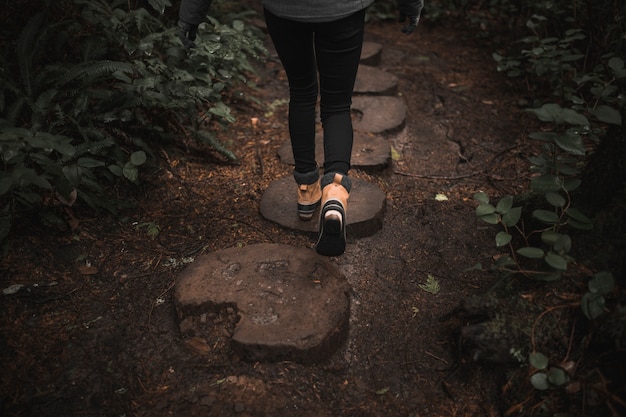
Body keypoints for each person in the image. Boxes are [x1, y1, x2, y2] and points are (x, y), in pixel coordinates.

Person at [178, 0, 424, 256]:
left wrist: (191, 15)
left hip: (285, 10)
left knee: (302, 93)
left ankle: (307, 190)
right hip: (343, 10)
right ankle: (335, 193)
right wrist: (411, 5)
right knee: (337, 104)